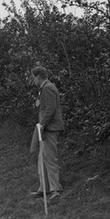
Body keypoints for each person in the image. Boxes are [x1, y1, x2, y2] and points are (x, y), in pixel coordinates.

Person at [28, 66, 64, 200]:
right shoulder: (44, 88)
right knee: (42, 159)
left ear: (38, 77)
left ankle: (56, 189)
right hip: (45, 128)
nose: (33, 81)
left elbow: (50, 108)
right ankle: (44, 188)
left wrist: (42, 124)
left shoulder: (48, 88)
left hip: (50, 128)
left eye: (34, 78)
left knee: (50, 158)